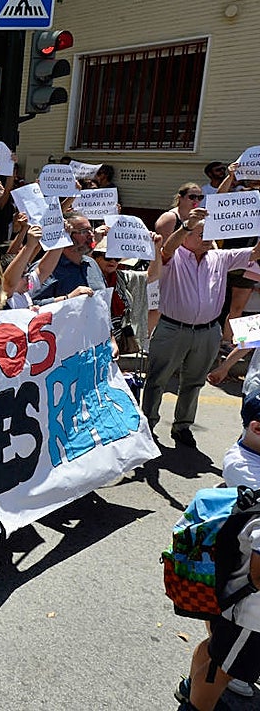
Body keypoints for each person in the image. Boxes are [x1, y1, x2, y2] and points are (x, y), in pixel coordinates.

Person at [143, 206, 260, 447]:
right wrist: (186, 225)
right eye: (200, 234)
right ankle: (148, 424)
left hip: (207, 332)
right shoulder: (172, 257)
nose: (208, 239)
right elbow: (166, 249)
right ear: (186, 235)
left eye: (209, 234)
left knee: (194, 382)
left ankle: (183, 426)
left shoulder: (220, 257)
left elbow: (255, 253)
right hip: (172, 329)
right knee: (157, 380)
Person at [173, 393, 260, 711]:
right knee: (222, 665)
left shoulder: (244, 453)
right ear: (257, 427)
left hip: (231, 589)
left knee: (215, 650)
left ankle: (190, 690)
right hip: (251, 608)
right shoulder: (252, 477)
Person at [31, 212, 106, 304]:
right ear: (67, 235)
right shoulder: (45, 268)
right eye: (84, 231)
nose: (91, 235)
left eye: (91, 230)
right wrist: (68, 298)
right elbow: (30, 304)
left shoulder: (92, 264)